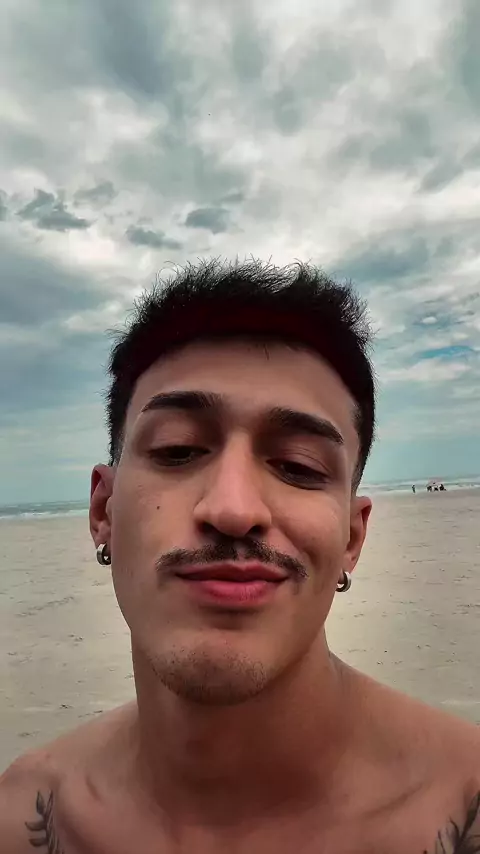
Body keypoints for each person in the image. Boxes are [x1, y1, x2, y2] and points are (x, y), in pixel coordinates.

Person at [1, 259, 480, 853]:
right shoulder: (28, 814)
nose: (232, 509)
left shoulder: (463, 805)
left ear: (351, 540)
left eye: (298, 466)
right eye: (177, 450)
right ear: (104, 511)